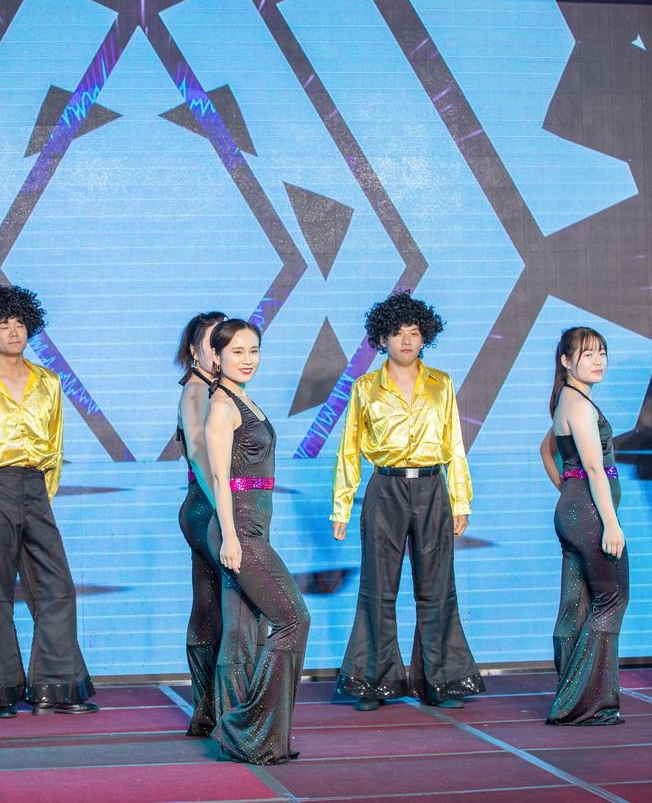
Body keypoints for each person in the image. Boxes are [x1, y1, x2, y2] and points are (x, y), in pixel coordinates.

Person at [0, 285, 97, 717]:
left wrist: (42, 497)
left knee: (57, 588)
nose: (13, 331)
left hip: (35, 488)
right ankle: (0, 690)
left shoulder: (49, 382)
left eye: (19, 323)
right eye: (2, 324)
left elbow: (55, 446)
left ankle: (54, 687)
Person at [330, 291, 483, 711]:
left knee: (438, 588)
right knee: (378, 589)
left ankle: (442, 680)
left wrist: (461, 500)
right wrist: (342, 507)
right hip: (385, 489)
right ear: (382, 338)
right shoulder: (365, 388)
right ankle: (373, 681)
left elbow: (455, 444)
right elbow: (349, 449)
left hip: (433, 488)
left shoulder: (441, 384)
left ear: (425, 337)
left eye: (414, 332)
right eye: (398, 333)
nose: (407, 340)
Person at [205, 318, 309, 765]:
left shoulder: (244, 398)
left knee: (244, 632)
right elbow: (218, 478)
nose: (247, 360)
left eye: (254, 350)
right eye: (237, 352)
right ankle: (247, 728)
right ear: (216, 357)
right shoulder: (221, 406)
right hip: (239, 530)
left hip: (251, 526)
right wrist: (231, 537)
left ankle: (248, 737)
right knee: (293, 620)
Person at [538, 327, 628, 725]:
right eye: (588, 354)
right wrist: (611, 523)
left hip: (574, 511)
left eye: (602, 353)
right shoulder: (579, 405)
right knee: (611, 600)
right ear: (566, 360)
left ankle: (569, 697)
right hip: (590, 515)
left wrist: (567, 489)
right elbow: (593, 468)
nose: (598, 361)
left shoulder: (567, 400)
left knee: (574, 608)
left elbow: (547, 451)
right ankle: (588, 703)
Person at [174, 310, 226, 736]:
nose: (220, 349)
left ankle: (211, 708)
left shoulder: (218, 390)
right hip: (207, 508)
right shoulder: (196, 391)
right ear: (194, 351)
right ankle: (213, 706)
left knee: (212, 603)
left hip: (212, 507)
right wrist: (225, 511)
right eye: (213, 341)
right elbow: (197, 450)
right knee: (215, 606)